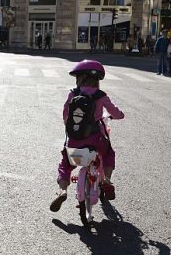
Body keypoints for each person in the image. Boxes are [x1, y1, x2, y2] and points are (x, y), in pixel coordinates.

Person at [50, 60, 125, 211]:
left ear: (79, 78)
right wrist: (120, 115)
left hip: (74, 140)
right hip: (95, 140)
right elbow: (115, 113)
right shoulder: (101, 95)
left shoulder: (73, 93)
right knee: (109, 153)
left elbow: (65, 114)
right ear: (97, 80)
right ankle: (107, 180)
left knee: (65, 164)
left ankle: (63, 191)